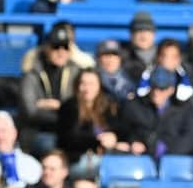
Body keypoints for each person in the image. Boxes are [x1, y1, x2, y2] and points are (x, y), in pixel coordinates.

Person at [19, 25, 80, 156]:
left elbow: (80, 108)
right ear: (46, 48)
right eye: (56, 47)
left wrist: (53, 105)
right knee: (48, 143)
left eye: (65, 47)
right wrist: (63, 111)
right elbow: (30, 112)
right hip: (38, 132)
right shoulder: (33, 72)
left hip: (68, 132)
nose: (61, 52)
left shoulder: (76, 72)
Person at [120, 66, 193, 159]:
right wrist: (133, 141)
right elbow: (125, 130)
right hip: (141, 159)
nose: (156, 93)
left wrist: (167, 151)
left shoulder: (183, 109)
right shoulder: (134, 106)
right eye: (154, 87)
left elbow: (190, 137)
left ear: (171, 90)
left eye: (162, 89)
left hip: (174, 160)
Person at [57, 68, 126, 169]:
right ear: (77, 86)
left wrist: (114, 138)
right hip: (79, 157)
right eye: (83, 84)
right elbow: (70, 138)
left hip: (108, 154)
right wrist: (98, 141)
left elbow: (123, 129)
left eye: (92, 84)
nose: (87, 88)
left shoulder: (109, 106)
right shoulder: (69, 107)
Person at [21, 21, 95, 73]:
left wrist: (71, 52)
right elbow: (26, 68)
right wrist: (46, 51)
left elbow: (90, 66)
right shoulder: (39, 52)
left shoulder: (80, 57)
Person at [121, 11, 158, 83]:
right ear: (131, 35)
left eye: (147, 30)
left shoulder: (165, 54)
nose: (143, 36)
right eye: (139, 30)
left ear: (154, 34)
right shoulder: (121, 57)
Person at [96, 39, 135, 103]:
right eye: (106, 55)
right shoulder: (93, 79)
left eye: (114, 54)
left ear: (120, 58)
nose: (110, 59)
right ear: (98, 58)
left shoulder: (132, 77)